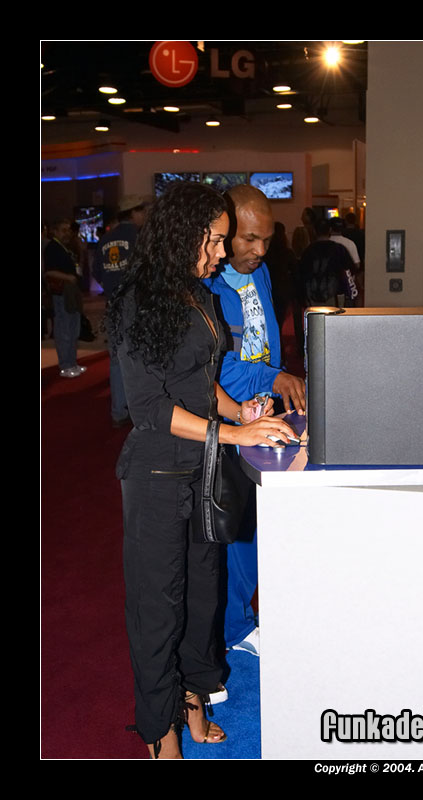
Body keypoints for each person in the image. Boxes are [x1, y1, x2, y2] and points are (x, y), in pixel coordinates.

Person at [105, 181, 296, 759]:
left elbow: (201, 382)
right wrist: (235, 434)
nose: (221, 253)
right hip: (157, 475)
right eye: (213, 241)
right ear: (181, 234)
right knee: (158, 608)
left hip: (203, 467)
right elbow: (151, 407)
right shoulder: (138, 300)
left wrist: (243, 413)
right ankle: (159, 729)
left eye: (222, 240)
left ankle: (193, 698)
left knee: (202, 598)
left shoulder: (200, 293)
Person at [204, 184, 306, 659]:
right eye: (249, 239)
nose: (259, 250)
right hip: (226, 419)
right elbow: (217, 369)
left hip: (263, 412)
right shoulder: (207, 284)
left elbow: (265, 341)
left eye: (266, 239)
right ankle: (232, 630)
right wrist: (273, 378)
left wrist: (277, 386)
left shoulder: (259, 270)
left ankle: (244, 617)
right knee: (232, 528)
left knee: (256, 524)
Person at [94, 195, 147, 427]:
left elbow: (97, 272)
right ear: (133, 212)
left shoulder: (105, 239)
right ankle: (140, 411)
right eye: (142, 210)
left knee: (116, 358)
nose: (144, 214)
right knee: (141, 357)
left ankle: (118, 410)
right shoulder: (140, 237)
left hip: (112, 304)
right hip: (137, 304)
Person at [43, 218, 87, 378]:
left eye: (68, 230)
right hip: (61, 293)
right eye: (63, 230)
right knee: (64, 329)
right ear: (54, 231)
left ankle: (72, 362)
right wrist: (68, 277)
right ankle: (65, 364)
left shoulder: (67, 247)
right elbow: (48, 272)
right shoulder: (52, 248)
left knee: (73, 327)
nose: (67, 233)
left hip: (71, 292)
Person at [298, 218, 357, 307]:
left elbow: (302, 274)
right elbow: (350, 271)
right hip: (335, 295)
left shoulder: (308, 251)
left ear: (314, 231)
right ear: (330, 230)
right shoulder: (339, 249)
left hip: (312, 295)